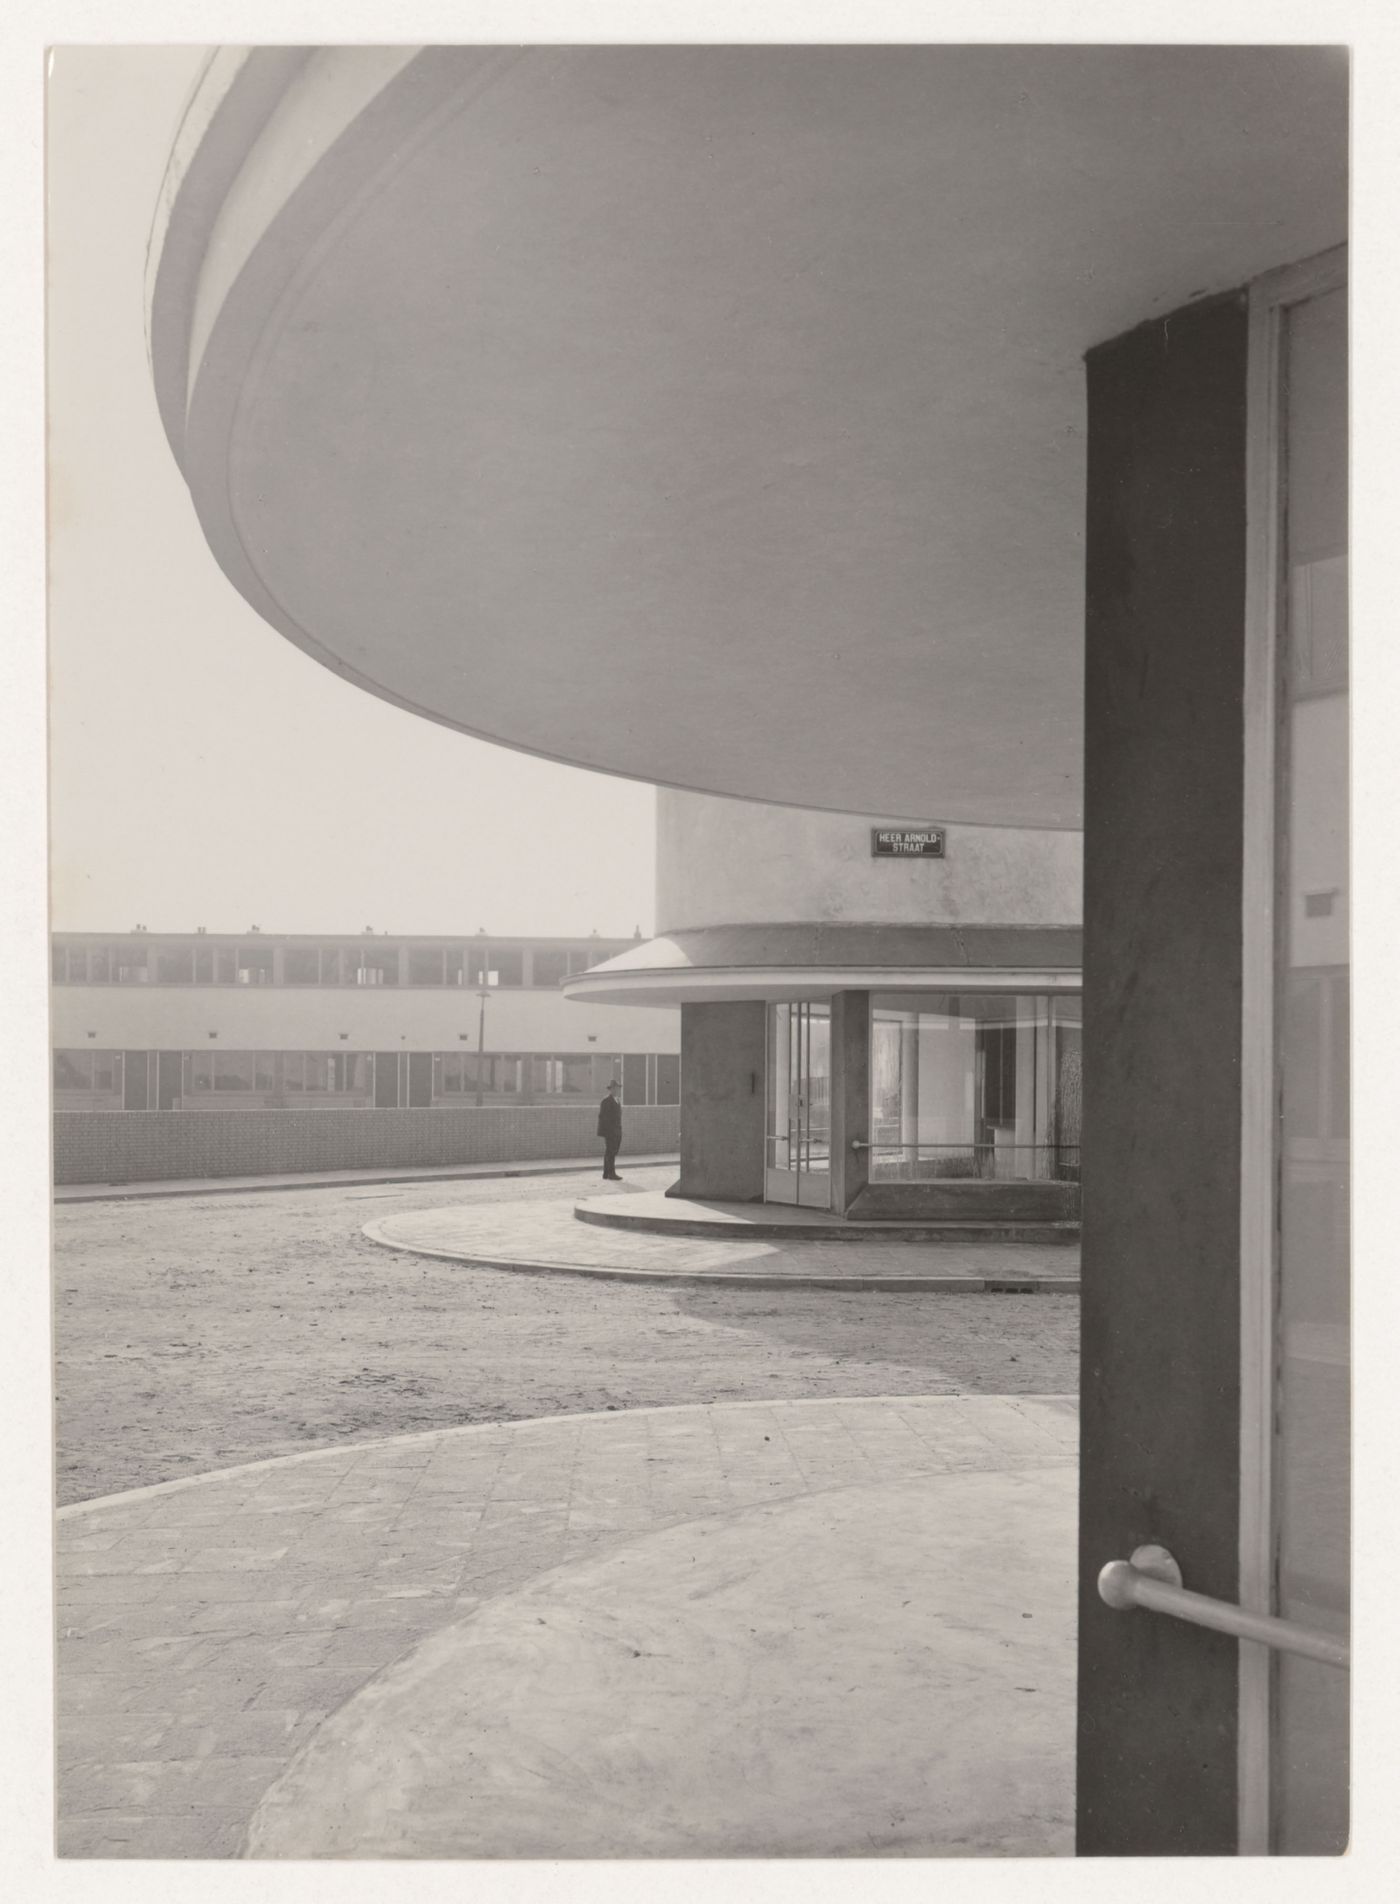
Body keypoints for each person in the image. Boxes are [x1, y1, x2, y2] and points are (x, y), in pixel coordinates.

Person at [597, 1078, 623, 1180]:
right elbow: (603, 1117)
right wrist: (608, 1131)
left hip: (617, 1131)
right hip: (610, 1132)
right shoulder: (606, 1101)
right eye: (615, 1088)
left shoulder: (617, 1100)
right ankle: (611, 1173)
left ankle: (606, 1173)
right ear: (611, 1089)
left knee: (612, 1151)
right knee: (610, 1152)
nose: (617, 1090)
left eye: (618, 1088)